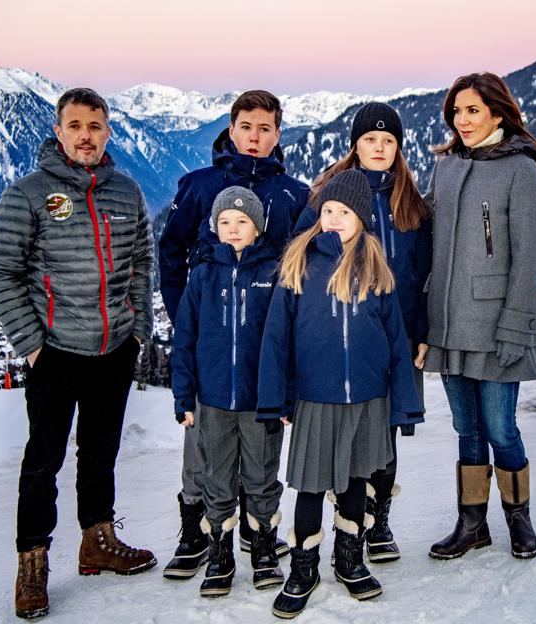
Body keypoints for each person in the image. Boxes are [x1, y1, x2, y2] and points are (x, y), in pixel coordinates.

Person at [0, 88, 156, 619]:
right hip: (55, 349)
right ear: (59, 131)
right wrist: (32, 345)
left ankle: (97, 542)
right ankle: (32, 563)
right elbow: (0, 270)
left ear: (108, 132)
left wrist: (138, 332)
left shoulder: (126, 193)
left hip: (113, 347)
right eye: (76, 125)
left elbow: (142, 261)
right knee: (43, 460)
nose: (86, 135)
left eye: (96, 125)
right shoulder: (29, 193)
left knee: (101, 451)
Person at [257, 170, 423, 618]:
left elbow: (396, 340)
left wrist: (403, 402)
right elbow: (276, 337)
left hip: (368, 399)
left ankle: (349, 559)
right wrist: (276, 397)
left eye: (344, 212)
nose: (333, 218)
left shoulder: (375, 267)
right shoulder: (300, 263)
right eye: (327, 210)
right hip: (315, 396)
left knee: (355, 482)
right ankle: (304, 567)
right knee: (310, 484)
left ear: (362, 220)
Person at [159, 91, 309, 578]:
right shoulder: (202, 186)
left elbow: (304, 267)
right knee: (204, 444)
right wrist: (189, 320)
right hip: (213, 347)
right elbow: (172, 249)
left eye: (265, 129)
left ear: (278, 134)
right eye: (247, 126)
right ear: (231, 127)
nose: (254, 137)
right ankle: (197, 530)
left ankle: (255, 526)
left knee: (260, 443)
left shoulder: (291, 194)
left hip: (265, 348)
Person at [297, 102, 431, 563]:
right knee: (348, 430)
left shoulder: (412, 205)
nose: (379, 148)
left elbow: (425, 274)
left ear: (399, 148)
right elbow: (301, 259)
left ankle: (378, 518)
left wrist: (423, 332)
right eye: (370, 140)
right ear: (355, 144)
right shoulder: (327, 199)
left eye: (388, 140)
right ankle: (349, 513)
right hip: (340, 340)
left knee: (386, 432)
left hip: (397, 338)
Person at [423, 72, 536, 561]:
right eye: (457, 111)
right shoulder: (448, 166)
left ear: (498, 112)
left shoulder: (521, 170)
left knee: (501, 428)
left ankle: (519, 518)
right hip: (449, 324)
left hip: (496, 325)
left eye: (472, 110)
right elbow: (424, 230)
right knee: (466, 429)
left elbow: (529, 255)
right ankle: (472, 523)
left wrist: (518, 325)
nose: (463, 120)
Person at [171, 187, 285, 596]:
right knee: (217, 478)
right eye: (225, 223)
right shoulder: (202, 275)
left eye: (242, 222)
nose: (233, 230)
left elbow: (284, 340)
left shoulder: (273, 273)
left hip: (261, 402)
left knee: (261, 477)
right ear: (214, 228)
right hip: (213, 400)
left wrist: (283, 395)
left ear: (257, 227)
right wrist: (184, 396)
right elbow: (183, 338)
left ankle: (264, 550)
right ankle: (220, 552)